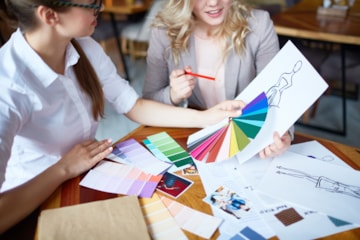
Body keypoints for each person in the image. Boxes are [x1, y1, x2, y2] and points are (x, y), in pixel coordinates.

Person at [0, 0, 246, 233]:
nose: (102, 7)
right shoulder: (8, 85)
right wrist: (63, 168)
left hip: (85, 177)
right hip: (33, 205)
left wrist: (208, 118)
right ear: (49, 15)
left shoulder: (83, 47)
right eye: (92, 3)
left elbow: (135, 106)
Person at [142, 0, 292, 159]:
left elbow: (277, 95)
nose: (214, 2)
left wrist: (284, 133)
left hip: (247, 137)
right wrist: (173, 95)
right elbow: (148, 101)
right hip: (192, 137)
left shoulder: (259, 25)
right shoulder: (164, 31)